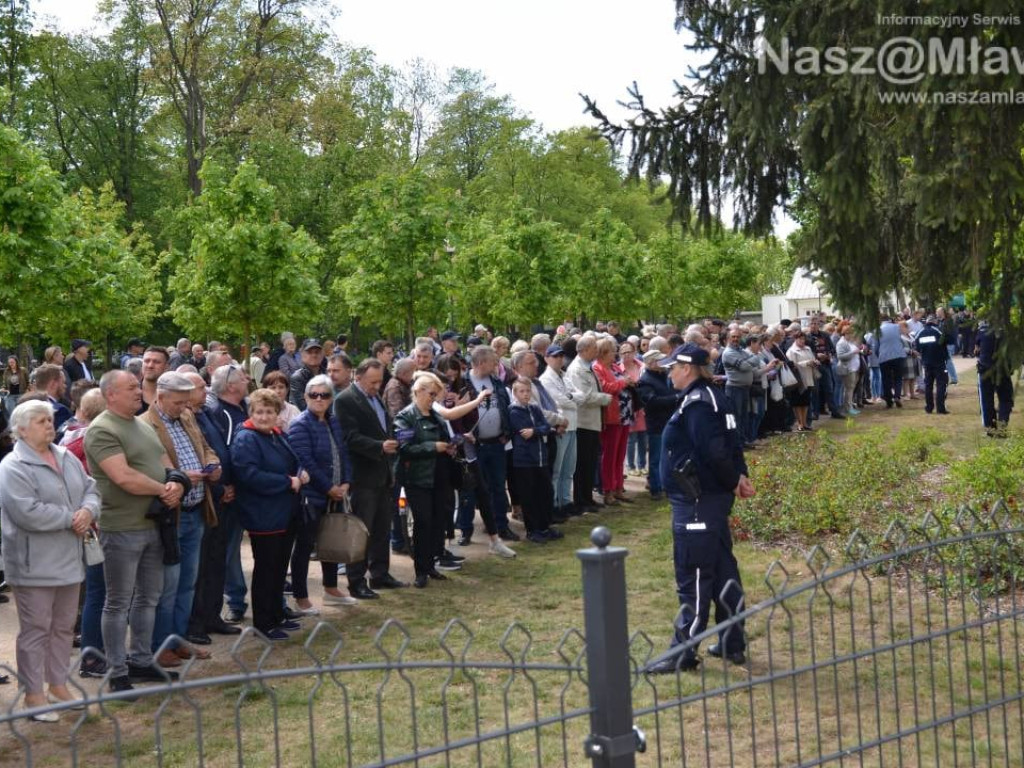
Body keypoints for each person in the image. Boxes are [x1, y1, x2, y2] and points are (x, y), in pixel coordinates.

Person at [646, 344, 753, 675]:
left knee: (693, 574)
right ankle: (731, 640)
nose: (669, 374)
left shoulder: (699, 404)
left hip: (697, 501)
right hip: (709, 498)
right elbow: (731, 444)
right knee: (722, 570)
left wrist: (735, 478)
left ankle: (683, 649)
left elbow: (716, 451)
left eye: (673, 368)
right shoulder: (712, 395)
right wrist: (738, 476)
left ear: (688, 369)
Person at [85, 371, 186, 698]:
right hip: (122, 528)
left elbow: (165, 462)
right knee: (118, 602)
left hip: (153, 526)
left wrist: (176, 483)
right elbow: (123, 476)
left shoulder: (141, 425)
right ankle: (117, 670)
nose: (139, 391)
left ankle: (141, 659)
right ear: (110, 394)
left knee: (149, 597)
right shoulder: (102, 429)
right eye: (131, 387)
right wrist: (164, 490)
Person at [0, 400, 101, 717]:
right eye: (42, 420)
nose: (49, 425)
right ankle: (33, 695)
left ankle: (58, 685)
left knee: (62, 628)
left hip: (70, 558)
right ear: (21, 430)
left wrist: (88, 511)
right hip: (33, 563)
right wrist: (72, 517)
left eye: (49, 419)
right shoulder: (12, 466)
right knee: (36, 630)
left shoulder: (65, 455)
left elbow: (91, 488)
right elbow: (25, 512)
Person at [142, 372, 220, 667]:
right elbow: (148, 468)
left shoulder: (187, 417)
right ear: (160, 397)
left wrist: (212, 463)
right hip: (171, 516)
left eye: (187, 402)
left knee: (188, 583)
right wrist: (180, 477)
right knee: (169, 586)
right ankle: (161, 645)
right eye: (178, 402)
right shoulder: (146, 425)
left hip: (196, 509)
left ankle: (178, 639)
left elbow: (204, 445)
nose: (184, 407)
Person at [230, 388, 309, 639]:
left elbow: (294, 459)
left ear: (278, 414)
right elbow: (249, 475)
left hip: (283, 512)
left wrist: (300, 473)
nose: (264, 417)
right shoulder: (247, 438)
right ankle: (263, 623)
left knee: (278, 568)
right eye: (259, 412)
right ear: (251, 413)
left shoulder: (276, 434)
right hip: (263, 514)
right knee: (266, 570)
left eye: (270, 412)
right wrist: (288, 482)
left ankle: (277, 614)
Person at [335, 359, 407, 599]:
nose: (377, 386)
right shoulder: (346, 400)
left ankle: (380, 573)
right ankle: (356, 581)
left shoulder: (375, 398)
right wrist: (379, 446)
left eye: (380, 381)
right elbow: (349, 437)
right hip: (362, 476)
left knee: (381, 529)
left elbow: (383, 427)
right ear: (359, 377)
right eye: (373, 381)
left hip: (383, 473)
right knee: (361, 531)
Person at [287, 375, 356, 612]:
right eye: (314, 394)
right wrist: (329, 487)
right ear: (305, 397)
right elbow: (305, 461)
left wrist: (346, 481)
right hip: (312, 495)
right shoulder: (299, 424)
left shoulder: (333, 421)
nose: (319, 399)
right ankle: (301, 596)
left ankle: (331, 588)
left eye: (324, 395)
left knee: (331, 542)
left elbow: (343, 452)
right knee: (305, 546)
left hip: (335, 493)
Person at [394, 372, 461, 588]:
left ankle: (432, 564)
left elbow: (445, 438)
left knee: (437, 522)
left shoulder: (436, 415)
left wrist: (451, 446)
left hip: (440, 476)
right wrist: (433, 447)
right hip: (418, 478)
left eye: (436, 394)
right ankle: (420, 570)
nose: (434, 398)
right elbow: (404, 448)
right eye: (431, 393)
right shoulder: (405, 416)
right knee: (423, 523)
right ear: (418, 391)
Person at [507, 376, 563, 544]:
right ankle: (533, 530)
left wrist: (536, 431)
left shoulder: (534, 408)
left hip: (540, 458)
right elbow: (524, 432)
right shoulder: (513, 411)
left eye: (527, 391)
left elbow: (545, 427)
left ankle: (545, 526)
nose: (525, 394)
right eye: (521, 391)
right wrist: (539, 430)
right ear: (515, 393)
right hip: (524, 461)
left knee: (546, 493)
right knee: (529, 496)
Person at [566, 336, 613, 513]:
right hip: (583, 422)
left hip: (592, 421)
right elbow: (584, 396)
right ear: (584, 350)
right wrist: (605, 398)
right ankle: (581, 499)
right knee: (583, 463)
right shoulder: (577, 369)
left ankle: (588, 498)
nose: (596, 351)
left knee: (591, 461)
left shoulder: (587, 366)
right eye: (594, 348)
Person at [540, 344, 579, 518]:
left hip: (573, 425)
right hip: (561, 427)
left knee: (569, 468)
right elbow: (559, 401)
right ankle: (554, 503)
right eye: (555, 356)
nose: (559, 359)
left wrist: (571, 397)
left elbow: (580, 395)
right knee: (557, 469)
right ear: (547, 358)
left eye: (561, 356)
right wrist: (572, 398)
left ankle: (566, 500)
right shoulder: (546, 379)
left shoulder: (565, 375)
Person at [592, 337, 632, 506]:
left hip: (624, 415)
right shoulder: (597, 368)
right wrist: (624, 382)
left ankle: (618, 488)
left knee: (620, 455)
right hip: (611, 417)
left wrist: (628, 382)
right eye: (612, 351)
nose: (615, 354)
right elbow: (605, 388)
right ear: (603, 353)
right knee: (609, 456)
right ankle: (608, 490)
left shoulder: (614, 366)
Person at [975, 322, 1014, 437]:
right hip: (1002, 369)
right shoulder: (1007, 331)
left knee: (986, 400)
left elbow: (976, 349)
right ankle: (1002, 426)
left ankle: (990, 429)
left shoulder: (982, 330)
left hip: (985, 368)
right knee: (1006, 399)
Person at [915, 315, 950, 415]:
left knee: (928, 385)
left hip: (927, 363)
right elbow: (947, 340)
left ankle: (929, 408)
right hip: (939, 362)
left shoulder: (920, 332)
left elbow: (916, 346)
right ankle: (940, 408)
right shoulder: (938, 330)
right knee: (941, 384)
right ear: (935, 321)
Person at [786, 331, 818, 432]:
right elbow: (793, 365)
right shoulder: (791, 351)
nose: (802, 341)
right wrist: (807, 363)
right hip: (798, 379)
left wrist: (815, 362)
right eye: (800, 339)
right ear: (795, 339)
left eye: (803, 339)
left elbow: (812, 358)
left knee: (806, 402)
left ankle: (805, 423)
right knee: (797, 402)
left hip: (808, 377)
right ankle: (799, 423)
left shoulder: (808, 349)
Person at [289, 339, 325, 410]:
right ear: (302, 354)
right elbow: (302, 407)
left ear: (322, 355)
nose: (314, 355)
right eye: (310, 352)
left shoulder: (327, 374)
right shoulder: (297, 377)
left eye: (317, 352)